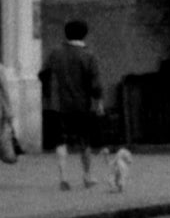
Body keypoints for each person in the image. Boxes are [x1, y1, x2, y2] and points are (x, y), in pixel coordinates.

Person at [40, 18, 125, 192]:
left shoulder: (55, 53)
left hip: (57, 104)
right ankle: (87, 176)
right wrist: (99, 102)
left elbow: (42, 74)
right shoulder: (88, 55)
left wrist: (49, 94)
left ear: (66, 33)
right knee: (83, 141)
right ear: (85, 34)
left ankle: (63, 177)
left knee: (60, 140)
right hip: (80, 105)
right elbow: (95, 83)